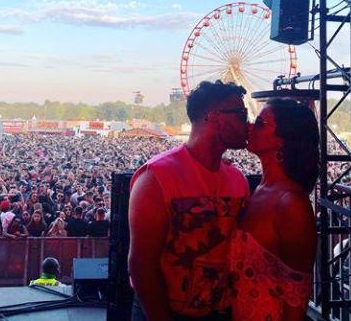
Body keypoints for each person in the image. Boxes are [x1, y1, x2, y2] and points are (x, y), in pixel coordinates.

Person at [129, 80, 250, 321]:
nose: (247, 124)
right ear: (214, 118)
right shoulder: (156, 178)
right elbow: (142, 265)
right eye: (241, 114)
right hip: (166, 312)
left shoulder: (239, 180)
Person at [229, 98, 318, 321]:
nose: (249, 126)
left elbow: (296, 295)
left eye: (259, 123)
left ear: (282, 141)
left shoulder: (292, 204)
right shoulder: (260, 189)